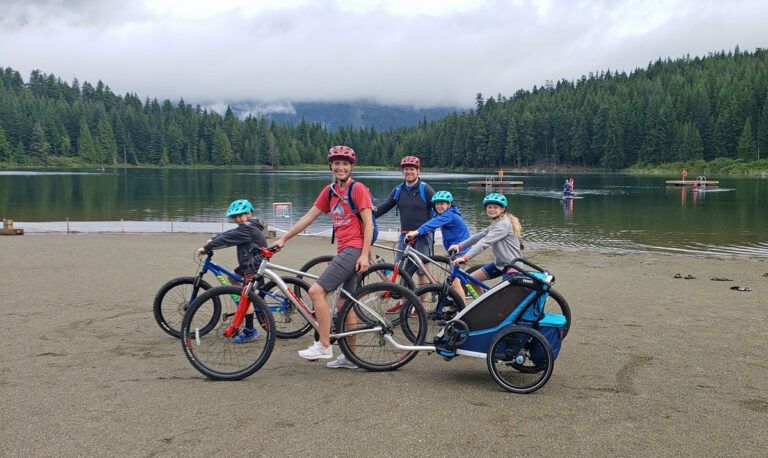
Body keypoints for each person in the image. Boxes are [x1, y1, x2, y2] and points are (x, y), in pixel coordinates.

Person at [274, 145, 373, 369]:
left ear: (351, 167)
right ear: (331, 166)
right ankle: (351, 358)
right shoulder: (329, 191)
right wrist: (285, 238)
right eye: (336, 163)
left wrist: (365, 254)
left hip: (355, 250)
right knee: (344, 305)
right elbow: (309, 217)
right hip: (346, 250)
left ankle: (324, 344)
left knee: (316, 291)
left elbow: (369, 224)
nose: (340, 167)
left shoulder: (357, 189)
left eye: (345, 164)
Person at [196, 199, 267, 343]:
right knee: (233, 278)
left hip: (253, 267)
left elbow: (228, 238)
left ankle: (249, 331)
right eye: (235, 217)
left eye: (241, 215)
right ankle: (246, 301)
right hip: (249, 265)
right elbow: (230, 233)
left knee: (245, 298)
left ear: (250, 213)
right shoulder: (248, 226)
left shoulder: (247, 228)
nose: (238, 219)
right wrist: (213, 240)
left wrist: (207, 248)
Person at [375, 155, 436, 310]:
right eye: (406, 169)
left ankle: (420, 305)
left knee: (421, 272)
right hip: (404, 236)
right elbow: (384, 207)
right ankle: (403, 303)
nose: (409, 172)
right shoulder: (399, 190)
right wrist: (366, 217)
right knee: (400, 269)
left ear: (418, 171)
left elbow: (440, 210)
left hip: (423, 236)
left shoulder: (425, 189)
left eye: (412, 169)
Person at [447, 193, 523, 293]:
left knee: (504, 300)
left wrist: (466, 257)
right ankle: (483, 303)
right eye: (489, 207)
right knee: (472, 279)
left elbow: (484, 242)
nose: (492, 209)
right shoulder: (497, 222)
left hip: (512, 267)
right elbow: (480, 235)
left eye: (495, 207)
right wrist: (459, 246)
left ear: (502, 209)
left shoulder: (504, 223)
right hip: (499, 264)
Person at [404, 190, 470, 301]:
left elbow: (431, 224)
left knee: (454, 282)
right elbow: (430, 224)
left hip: (461, 250)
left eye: (442, 203)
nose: (439, 206)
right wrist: (417, 232)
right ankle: (454, 307)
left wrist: (416, 232)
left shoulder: (449, 215)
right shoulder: (442, 214)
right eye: (437, 204)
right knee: (452, 279)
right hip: (454, 249)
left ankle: (462, 309)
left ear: (449, 204)